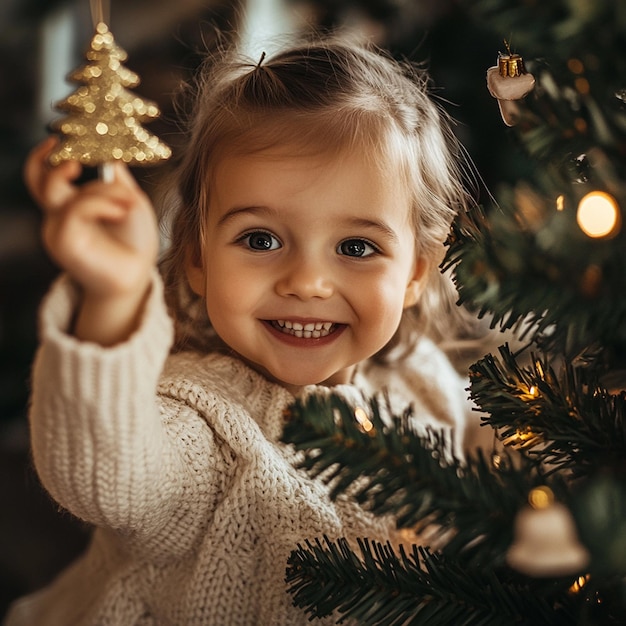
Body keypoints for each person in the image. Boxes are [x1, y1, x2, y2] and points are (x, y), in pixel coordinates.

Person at [6, 34, 480, 625]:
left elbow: (505, 468)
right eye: (261, 239)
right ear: (198, 257)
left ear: (415, 271)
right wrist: (113, 296)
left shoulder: (426, 382)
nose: (307, 282)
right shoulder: (202, 422)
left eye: (356, 247)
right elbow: (105, 476)